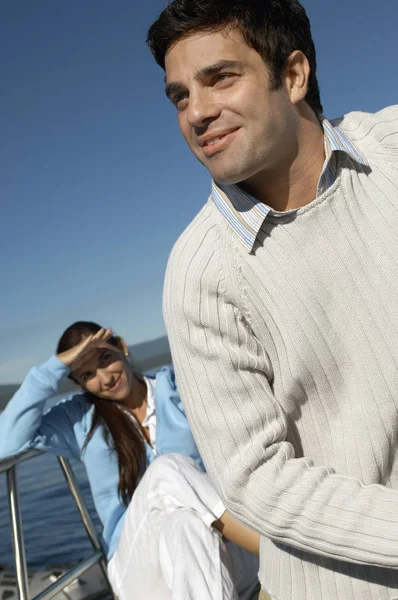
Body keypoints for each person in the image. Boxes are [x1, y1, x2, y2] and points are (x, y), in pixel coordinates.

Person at [147, 1, 398, 599]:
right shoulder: (200, 274)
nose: (198, 112)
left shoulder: (392, 148)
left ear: (292, 75)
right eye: (180, 96)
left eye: (220, 78)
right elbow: (257, 479)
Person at [0, 321, 261, 600]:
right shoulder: (78, 420)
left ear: (122, 348)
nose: (105, 378)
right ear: (78, 383)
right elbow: (6, 442)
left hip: (220, 555)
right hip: (139, 569)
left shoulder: (177, 387)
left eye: (105, 359)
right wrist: (55, 366)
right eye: (87, 374)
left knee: (185, 524)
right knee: (167, 471)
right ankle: (273, 551)